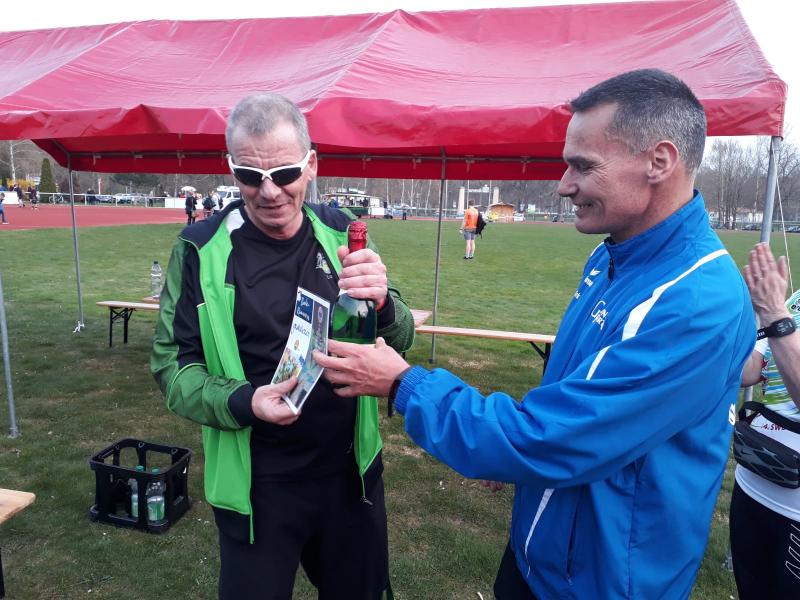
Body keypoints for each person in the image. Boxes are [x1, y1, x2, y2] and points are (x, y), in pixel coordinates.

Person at [314, 69, 755, 599]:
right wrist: (509, 451)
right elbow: (567, 396)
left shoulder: (696, 302)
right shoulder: (611, 256)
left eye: (583, 166)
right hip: (543, 557)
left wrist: (402, 383)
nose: (564, 185)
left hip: (602, 583)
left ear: (659, 161)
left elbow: (552, 439)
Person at [150, 93, 415, 600]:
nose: (269, 191)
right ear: (231, 169)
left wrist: (384, 305)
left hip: (349, 477)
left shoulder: (343, 233)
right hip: (257, 487)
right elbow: (172, 369)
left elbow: (399, 340)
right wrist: (243, 401)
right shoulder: (200, 249)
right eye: (251, 175)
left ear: (311, 165)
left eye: (285, 173)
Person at [732, 242, 800, 599]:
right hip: (753, 480)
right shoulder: (796, 300)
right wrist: (750, 313)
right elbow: (748, 372)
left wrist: (774, 314)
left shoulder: (781, 308)